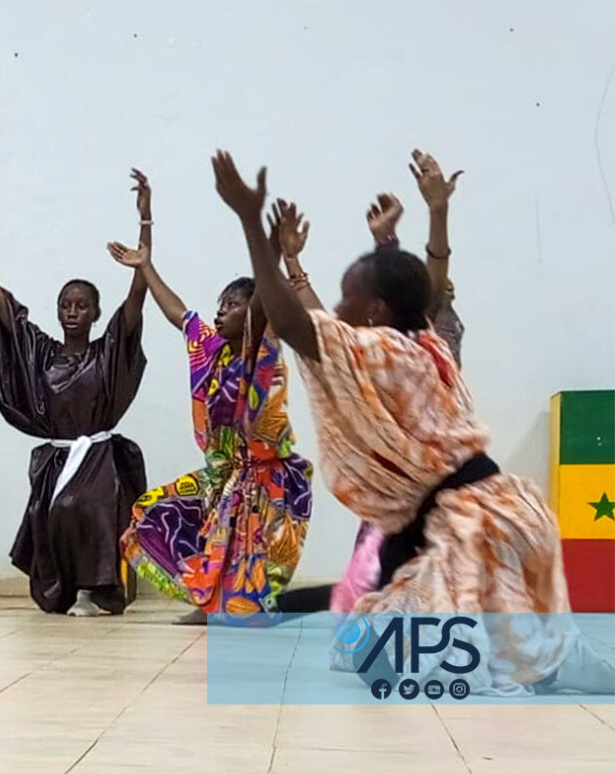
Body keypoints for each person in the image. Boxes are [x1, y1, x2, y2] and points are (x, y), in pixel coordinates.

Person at [210, 149, 615, 695]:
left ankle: (551, 660)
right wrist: (424, 220)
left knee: (416, 654)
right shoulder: (425, 343)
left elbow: (300, 324)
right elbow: (410, 295)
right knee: (366, 646)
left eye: (347, 297)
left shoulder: (383, 353)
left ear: (376, 311)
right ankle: (541, 650)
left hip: (468, 525)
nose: (336, 306)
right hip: (487, 513)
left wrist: (249, 224)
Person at [269, 152, 469, 638]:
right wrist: (293, 262)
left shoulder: (425, 337)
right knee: (377, 599)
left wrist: (437, 212)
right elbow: (327, 326)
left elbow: (422, 287)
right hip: (395, 492)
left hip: (432, 492)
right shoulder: (373, 344)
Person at [0, 174, 150, 616]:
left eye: (81, 306)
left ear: (95, 313)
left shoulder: (107, 353)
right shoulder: (40, 352)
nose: (72, 312)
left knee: (84, 505)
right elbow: (0, 302)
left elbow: (137, 300)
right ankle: (68, 590)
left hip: (98, 458)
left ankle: (94, 591)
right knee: (55, 513)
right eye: (65, 305)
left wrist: (144, 231)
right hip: (57, 459)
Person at [108, 211, 314, 626]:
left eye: (231, 306)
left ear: (253, 313)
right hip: (222, 474)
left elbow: (264, 304)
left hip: (265, 478)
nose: (220, 313)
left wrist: (273, 252)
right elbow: (179, 314)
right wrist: (146, 266)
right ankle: (209, 606)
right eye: (220, 306)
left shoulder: (262, 354)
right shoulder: (212, 351)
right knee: (153, 510)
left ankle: (233, 611)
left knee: (245, 552)